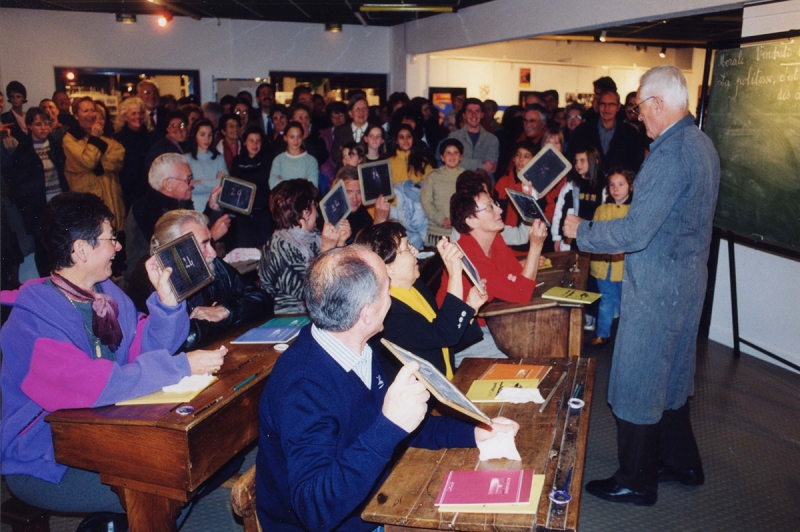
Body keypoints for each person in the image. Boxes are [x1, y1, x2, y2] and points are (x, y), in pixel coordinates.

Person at [255, 244, 517, 531]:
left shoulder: (360, 349)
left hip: (373, 496)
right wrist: (389, 425)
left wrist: (476, 432)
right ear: (366, 314)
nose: (391, 295)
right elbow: (315, 510)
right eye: (387, 288)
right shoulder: (304, 387)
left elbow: (404, 425)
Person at [1, 191, 226, 517]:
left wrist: (166, 303)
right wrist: (179, 368)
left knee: (187, 465)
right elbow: (88, 385)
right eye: (111, 238)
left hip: (103, 434)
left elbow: (143, 350)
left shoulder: (106, 295)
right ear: (81, 250)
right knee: (163, 482)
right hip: (45, 458)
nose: (119, 246)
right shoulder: (30, 319)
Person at [563, 65, 720, 506]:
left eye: (640, 108)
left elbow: (634, 232)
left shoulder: (669, 155)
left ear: (657, 104)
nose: (639, 117)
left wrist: (583, 231)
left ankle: (635, 479)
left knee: (636, 380)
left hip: (657, 289)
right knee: (670, 379)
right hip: (688, 286)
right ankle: (681, 462)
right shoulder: (702, 144)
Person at [356, 221, 486, 381]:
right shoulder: (389, 313)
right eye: (408, 248)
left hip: (447, 379)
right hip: (426, 399)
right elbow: (445, 335)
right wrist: (454, 273)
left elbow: (439, 342)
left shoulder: (415, 286)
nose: (416, 251)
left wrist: (471, 309)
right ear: (388, 268)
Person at [128, 210, 274, 350]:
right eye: (204, 245)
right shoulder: (150, 278)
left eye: (210, 242)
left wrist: (225, 311)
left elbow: (263, 300)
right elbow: (182, 341)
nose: (213, 253)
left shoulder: (212, 263)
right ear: (178, 250)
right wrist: (223, 320)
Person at [438, 182, 548, 364]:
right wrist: (535, 246)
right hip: (463, 339)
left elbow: (517, 276)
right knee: (524, 359)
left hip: (491, 322)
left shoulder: (495, 238)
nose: (499, 210)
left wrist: (513, 282)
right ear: (471, 220)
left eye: (495, 204)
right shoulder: (468, 253)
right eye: (490, 207)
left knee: (537, 341)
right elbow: (521, 292)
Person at [124, 153, 230, 287]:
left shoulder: (179, 203)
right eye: (188, 179)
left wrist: (212, 208)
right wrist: (212, 236)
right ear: (168, 184)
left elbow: (195, 234)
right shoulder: (145, 209)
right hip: (149, 287)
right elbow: (174, 255)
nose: (192, 184)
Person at [258, 179, 350, 314]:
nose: (317, 212)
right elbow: (312, 294)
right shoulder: (280, 248)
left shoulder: (313, 236)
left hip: (317, 312)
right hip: (289, 318)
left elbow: (341, 278)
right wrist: (326, 249)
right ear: (305, 213)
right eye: (314, 205)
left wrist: (341, 243)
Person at [8, 108, 68, 277]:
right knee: (42, 249)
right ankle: (45, 282)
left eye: (46, 124)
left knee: (60, 246)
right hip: (38, 208)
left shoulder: (55, 146)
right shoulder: (24, 150)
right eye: (38, 124)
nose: (43, 128)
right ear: (29, 126)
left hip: (58, 204)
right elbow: (18, 184)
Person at [586, 168, 635, 348]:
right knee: (606, 300)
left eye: (621, 184)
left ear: (630, 187)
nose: (615, 188)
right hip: (603, 267)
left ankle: (627, 339)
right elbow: (594, 234)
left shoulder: (634, 212)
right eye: (612, 185)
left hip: (624, 268)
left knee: (626, 304)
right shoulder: (601, 209)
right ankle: (602, 334)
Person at [62, 97, 126, 232]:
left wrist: (98, 165)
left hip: (112, 199)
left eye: (93, 110)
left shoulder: (105, 135)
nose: (90, 114)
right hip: (88, 202)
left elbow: (119, 157)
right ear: (75, 115)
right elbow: (88, 161)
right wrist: (95, 139)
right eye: (85, 111)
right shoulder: (70, 139)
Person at [570, 90, 645, 174]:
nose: (606, 108)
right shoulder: (581, 131)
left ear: (618, 107)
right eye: (603, 104)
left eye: (611, 104)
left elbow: (636, 166)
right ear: (598, 106)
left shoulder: (631, 133)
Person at [552, 146, 604, 251]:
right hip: (570, 242)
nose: (578, 164)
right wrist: (557, 237)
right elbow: (559, 211)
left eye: (582, 160)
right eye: (576, 161)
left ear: (595, 161)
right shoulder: (571, 186)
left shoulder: (603, 186)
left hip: (592, 240)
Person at [229, 126, 274, 248]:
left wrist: (247, 180)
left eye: (258, 141)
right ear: (244, 142)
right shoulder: (238, 161)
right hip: (242, 214)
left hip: (262, 212)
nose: (255, 144)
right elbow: (235, 185)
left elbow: (261, 180)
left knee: (263, 249)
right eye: (251, 140)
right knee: (245, 249)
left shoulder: (267, 160)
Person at [113, 96, 158, 210]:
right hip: (128, 192)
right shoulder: (117, 139)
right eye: (133, 113)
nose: (138, 116)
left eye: (140, 113)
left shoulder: (152, 137)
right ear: (124, 116)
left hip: (150, 189)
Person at [420, 138, 465, 246]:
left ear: (461, 157)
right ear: (442, 157)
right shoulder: (433, 175)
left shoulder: (466, 176)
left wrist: (457, 220)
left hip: (460, 231)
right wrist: (440, 219)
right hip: (437, 233)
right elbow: (426, 201)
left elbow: (469, 202)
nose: (452, 156)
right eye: (448, 153)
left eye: (455, 153)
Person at [333, 166, 390, 244]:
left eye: (359, 192)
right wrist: (379, 222)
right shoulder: (333, 217)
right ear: (338, 190)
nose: (355, 199)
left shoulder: (360, 210)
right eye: (349, 192)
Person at [448, 98, 499, 174]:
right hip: (458, 183)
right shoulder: (454, 137)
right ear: (464, 115)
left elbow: (490, 167)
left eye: (477, 111)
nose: (473, 115)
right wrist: (481, 165)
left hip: (483, 183)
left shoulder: (492, 139)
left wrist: (463, 161)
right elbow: (451, 162)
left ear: (482, 115)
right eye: (469, 111)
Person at [185, 118, 228, 208]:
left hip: (216, 208)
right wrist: (215, 182)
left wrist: (200, 181)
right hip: (195, 208)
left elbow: (225, 185)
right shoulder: (186, 159)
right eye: (202, 135)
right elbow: (191, 188)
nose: (207, 139)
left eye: (210, 135)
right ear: (194, 135)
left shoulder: (219, 158)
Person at [269, 121, 319, 189]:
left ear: (302, 137)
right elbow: (273, 185)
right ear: (285, 138)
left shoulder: (311, 161)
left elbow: (312, 187)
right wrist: (301, 182)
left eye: (299, 137)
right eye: (292, 137)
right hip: (282, 199)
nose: (296, 141)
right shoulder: (278, 160)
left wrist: (283, 182)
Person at [331, 94, 370, 166]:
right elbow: (336, 155)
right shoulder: (340, 130)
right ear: (350, 113)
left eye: (364, 108)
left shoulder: (374, 130)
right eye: (357, 109)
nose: (361, 112)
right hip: (345, 172)